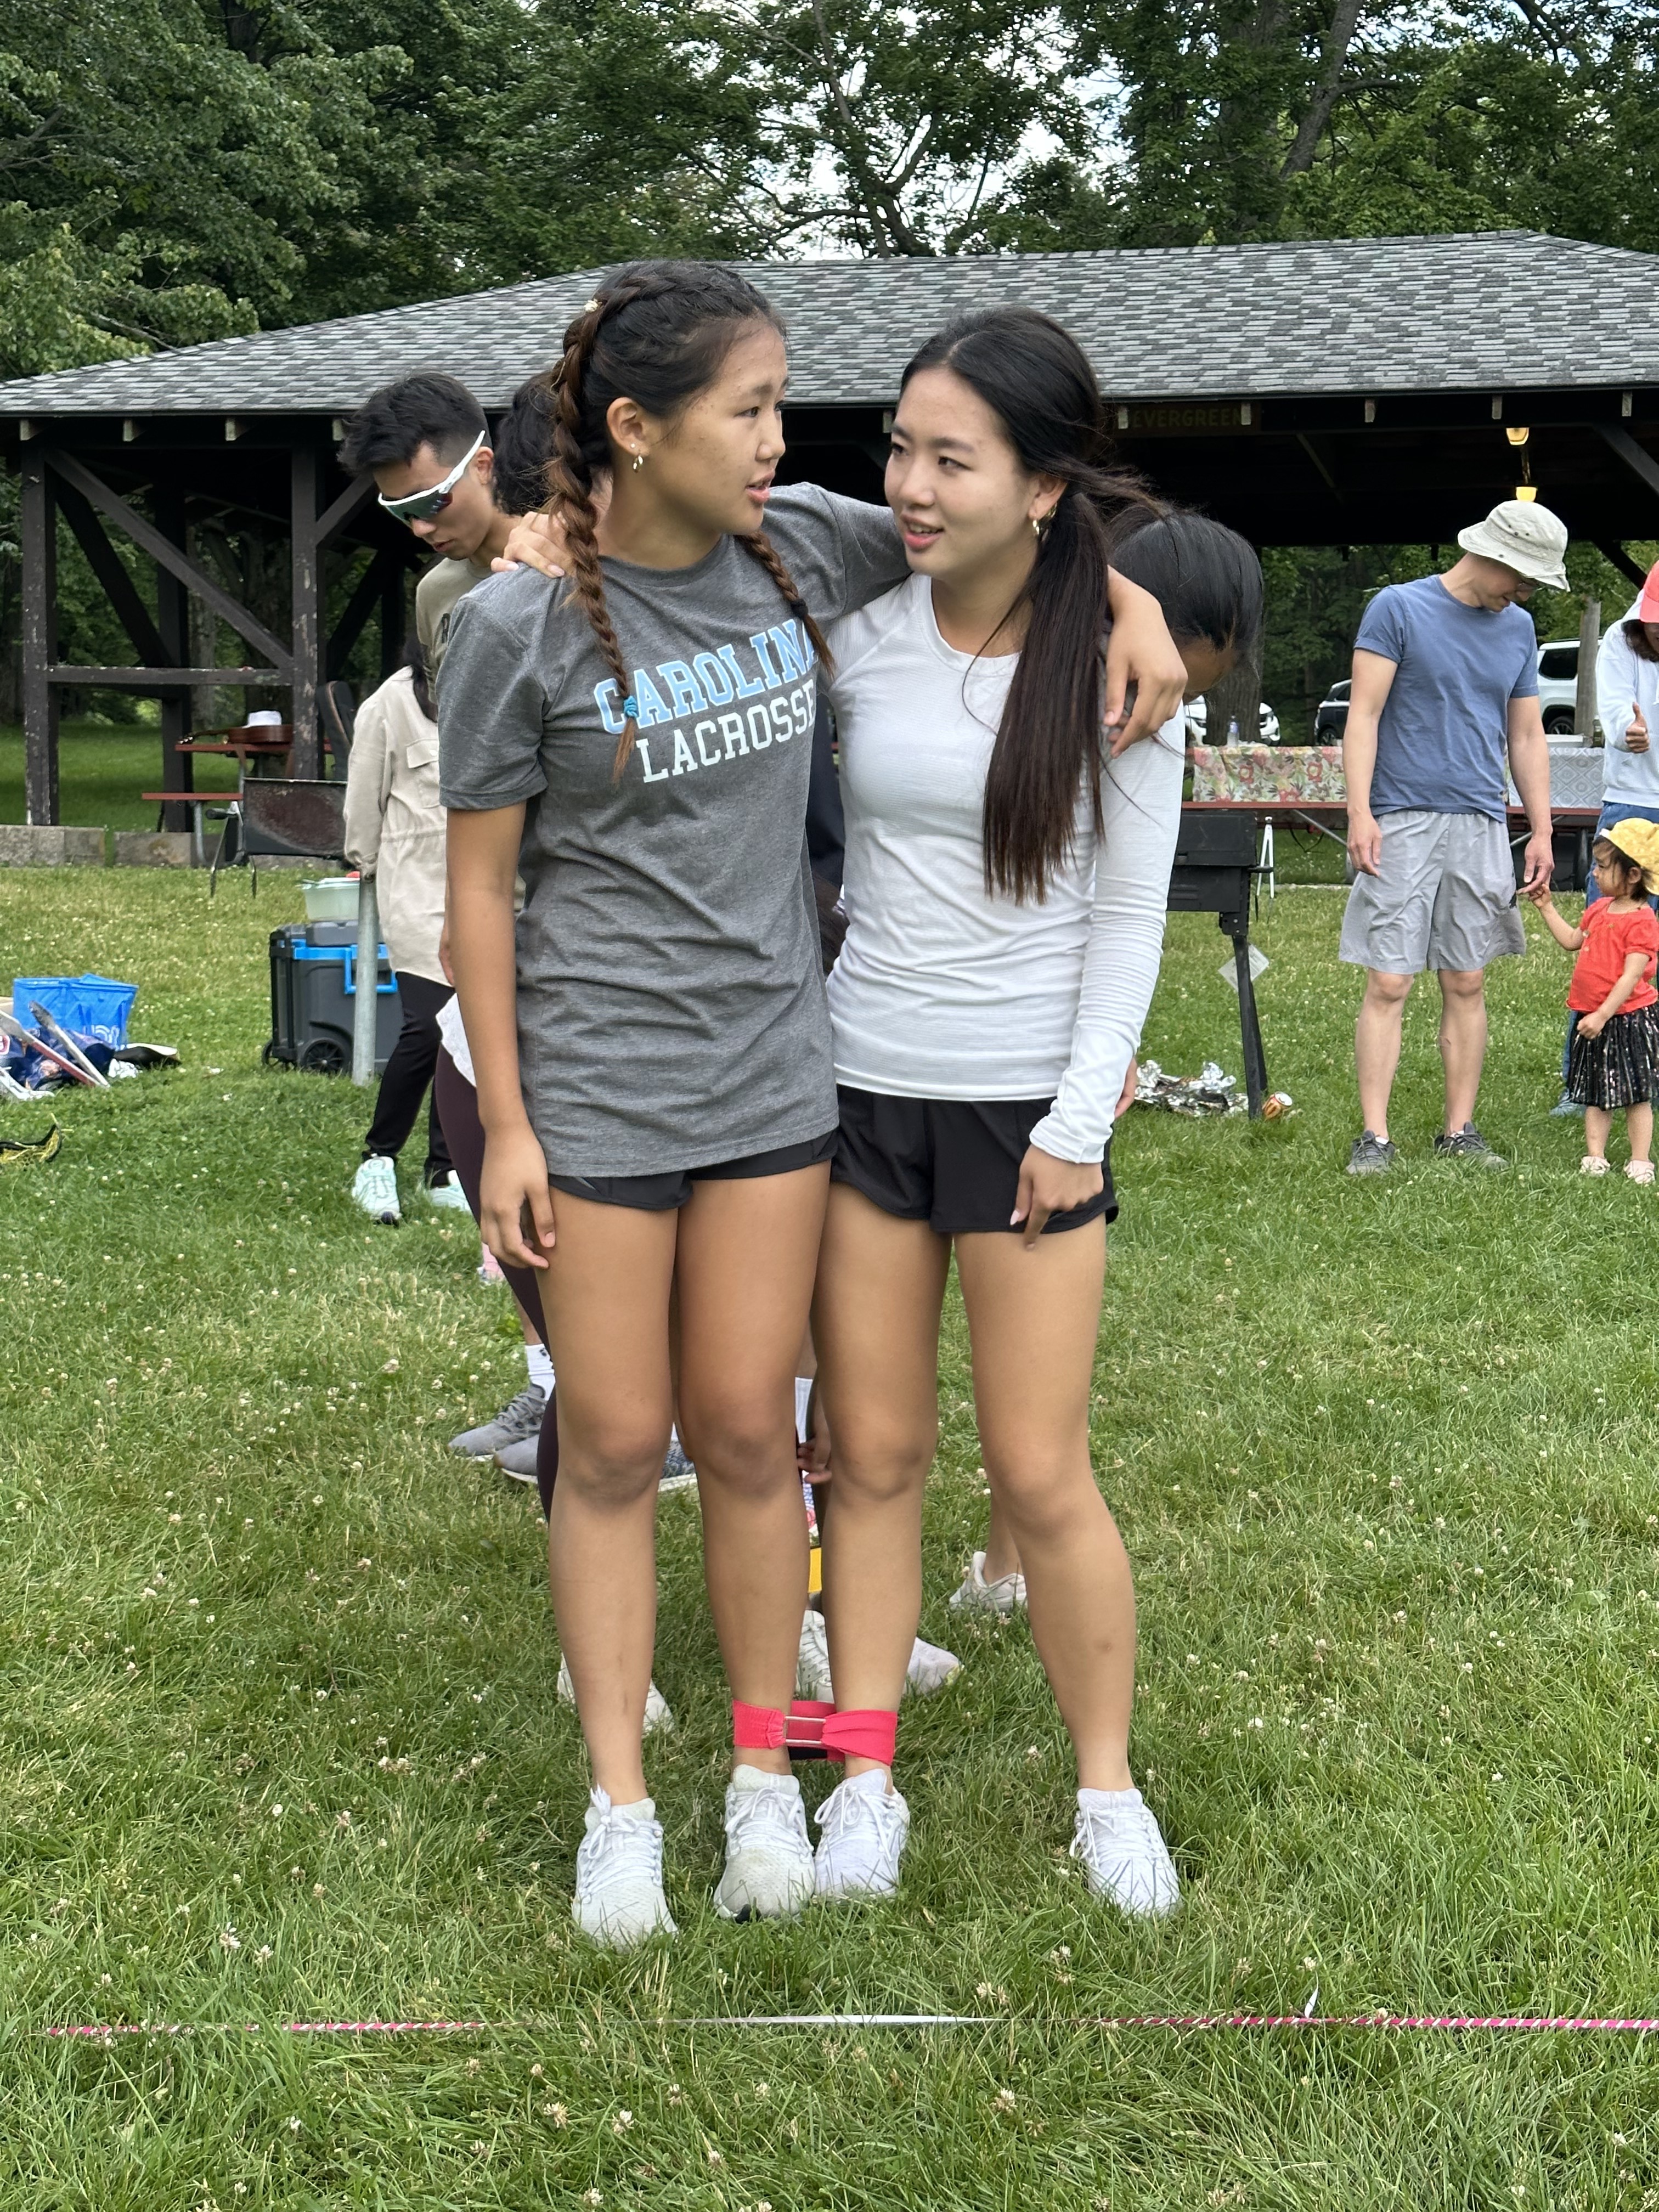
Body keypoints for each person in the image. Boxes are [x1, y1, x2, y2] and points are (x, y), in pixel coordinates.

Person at [439, 260, 1187, 1949]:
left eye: (788, 406)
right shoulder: (536, 623)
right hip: (648, 1090)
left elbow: (1020, 523)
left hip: (801, 1088)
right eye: (756, 408)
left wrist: (1133, 601)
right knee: (641, 1442)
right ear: (637, 430)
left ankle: (790, 1776)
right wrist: (510, 1125)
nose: (806, 446)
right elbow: (479, 888)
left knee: (785, 1443)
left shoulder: (806, 549)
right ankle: (642, 1803)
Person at [806, 319, 1260, 1916]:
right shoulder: (858, 633)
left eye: (954, 458)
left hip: (1030, 1122)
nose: (911, 487)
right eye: (900, 449)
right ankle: (863, 1779)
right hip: (862, 1096)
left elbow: (1129, 927)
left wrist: (1077, 1126)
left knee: (1040, 1470)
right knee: (870, 1460)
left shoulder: (1127, 677)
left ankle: (1108, 1792)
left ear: (1046, 485)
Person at [944, 506, 1263, 1629]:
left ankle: (1005, 1559)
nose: (1174, 697)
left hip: (1052, 1073)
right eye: (1191, 665)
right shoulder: (990, 674)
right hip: (923, 1053)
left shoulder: (1141, 730)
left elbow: (1124, 919)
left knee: (1036, 1368)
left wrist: (1097, 1072)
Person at [1340, 500, 1561, 1175]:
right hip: (1400, 817)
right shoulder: (1397, 609)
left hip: (1481, 821)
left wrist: (1541, 830)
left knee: (1467, 979)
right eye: (1522, 578)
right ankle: (1375, 1138)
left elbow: (1527, 734)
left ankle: (1459, 1131)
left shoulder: (1518, 627)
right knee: (1389, 980)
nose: (1525, 593)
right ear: (1491, 554)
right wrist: (1359, 812)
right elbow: (1363, 715)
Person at [342, 644, 469, 1221]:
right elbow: (362, 802)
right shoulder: (388, 704)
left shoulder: (491, 690)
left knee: (469, 1031)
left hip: (487, 889)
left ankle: (445, 1168)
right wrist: (367, 862)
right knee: (429, 1024)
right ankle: (378, 1159)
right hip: (416, 887)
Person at [1551, 560, 1659, 1115]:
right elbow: (1615, 711)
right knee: (1605, 947)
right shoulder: (1619, 640)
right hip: (1632, 804)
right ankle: (1583, 1084)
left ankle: (1648, 1076)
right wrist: (1627, 732)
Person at [337, 372, 517, 674]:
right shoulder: (433, 593)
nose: (419, 529)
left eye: (429, 502)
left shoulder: (572, 554)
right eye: (401, 511)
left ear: (482, 466)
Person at [1528, 821, 1659, 1178]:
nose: (1594, 873)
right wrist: (1546, 908)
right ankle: (1595, 1156)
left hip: (1629, 1018)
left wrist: (1603, 1015)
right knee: (1597, 1091)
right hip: (1594, 1018)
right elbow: (1573, 940)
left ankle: (1640, 1160)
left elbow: (1631, 976)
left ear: (1633, 875)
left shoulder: (1643, 921)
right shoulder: (1600, 909)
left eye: (1602, 866)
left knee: (1636, 1094)